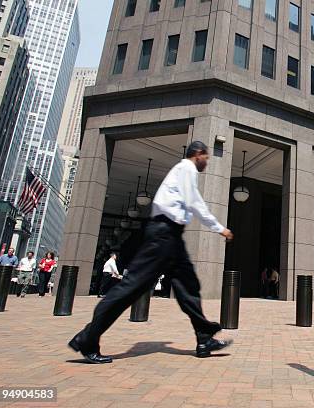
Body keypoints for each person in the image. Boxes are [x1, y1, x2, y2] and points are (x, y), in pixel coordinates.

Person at [68, 140, 234, 364]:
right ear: (198, 154)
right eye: (206, 157)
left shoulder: (183, 170)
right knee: (132, 287)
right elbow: (194, 202)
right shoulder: (186, 168)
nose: (207, 162)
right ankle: (87, 339)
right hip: (163, 235)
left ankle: (204, 338)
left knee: (188, 286)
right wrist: (219, 228)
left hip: (171, 236)